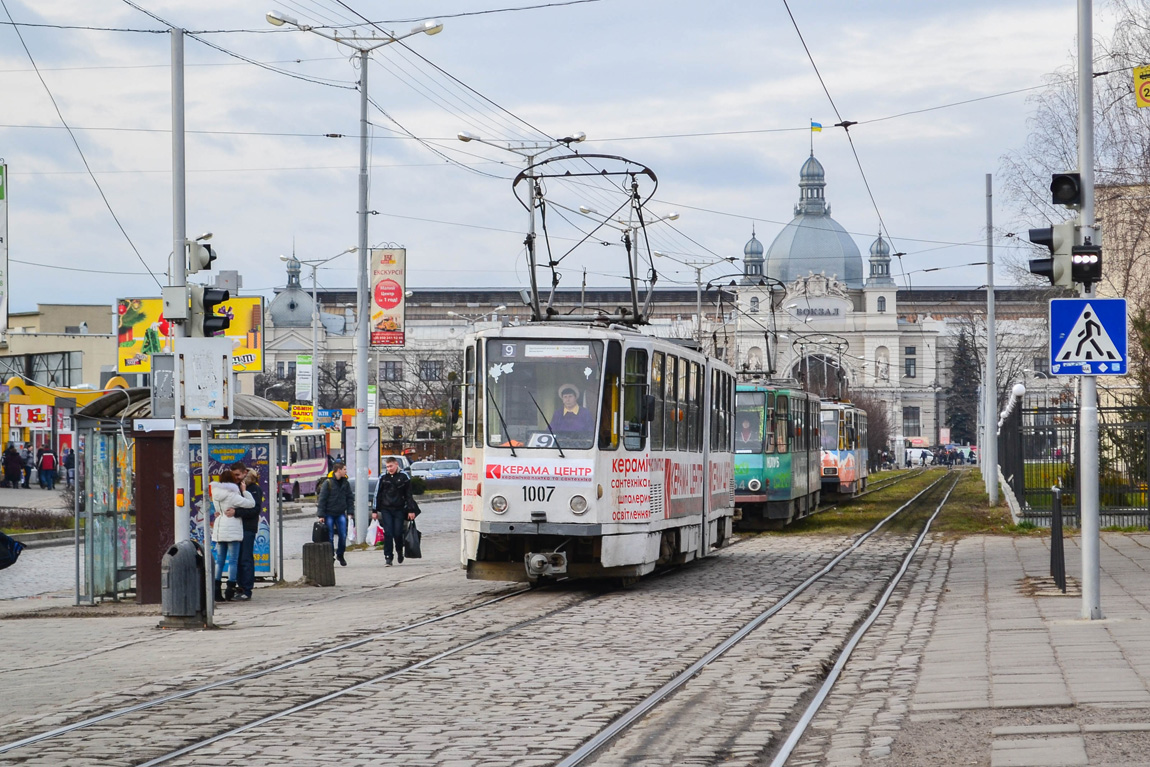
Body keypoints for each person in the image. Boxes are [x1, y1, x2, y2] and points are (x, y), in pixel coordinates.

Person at [209, 465, 254, 602]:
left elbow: (217, 511)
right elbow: (251, 504)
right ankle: (230, 589)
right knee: (233, 561)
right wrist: (245, 492)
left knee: (220, 560)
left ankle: (216, 589)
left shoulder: (216, 495)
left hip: (219, 528)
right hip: (233, 529)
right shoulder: (233, 496)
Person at [374, 456, 415, 567]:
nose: (389, 469)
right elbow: (377, 494)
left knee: (398, 532)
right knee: (388, 533)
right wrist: (375, 510)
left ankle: (399, 550)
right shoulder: (383, 477)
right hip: (386, 509)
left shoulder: (404, 477)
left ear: (396, 464)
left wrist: (411, 510)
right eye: (387, 467)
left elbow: (408, 495)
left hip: (399, 509)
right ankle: (388, 557)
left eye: (391, 466)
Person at [233, 467, 263, 601]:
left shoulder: (254, 489)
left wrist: (237, 512)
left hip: (248, 528)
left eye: (238, 475)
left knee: (245, 558)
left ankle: (246, 589)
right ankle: (240, 587)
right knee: (238, 558)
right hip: (237, 527)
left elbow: (255, 510)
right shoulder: (237, 488)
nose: (237, 478)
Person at [317, 462, 354, 566]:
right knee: (330, 537)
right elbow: (322, 500)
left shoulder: (345, 483)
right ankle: (330, 556)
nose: (346, 471)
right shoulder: (328, 483)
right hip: (329, 513)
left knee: (343, 535)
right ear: (339, 470)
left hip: (340, 513)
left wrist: (350, 512)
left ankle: (340, 554)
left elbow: (349, 498)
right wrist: (321, 515)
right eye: (344, 469)